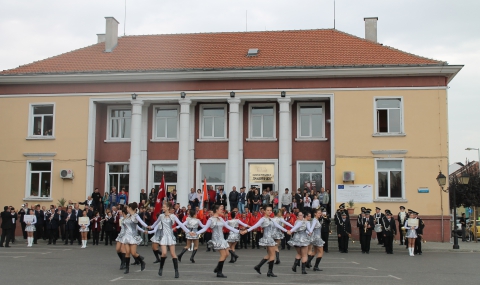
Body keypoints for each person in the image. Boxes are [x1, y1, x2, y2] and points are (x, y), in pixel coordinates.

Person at [195, 205, 240, 278]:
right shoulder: (211, 219)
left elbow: (228, 227)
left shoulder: (221, 218)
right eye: (221, 209)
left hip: (222, 238)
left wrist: (239, 231)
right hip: (216, 239)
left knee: (227, 254)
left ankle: (217, 268)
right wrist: (196, 233)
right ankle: (219, 272)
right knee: (223, 255)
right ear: (216, 210)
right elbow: (205, 228)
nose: (222, 210)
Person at [148, 202, 190, 278]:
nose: (162, 208)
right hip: (163, 236)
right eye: (162, 207)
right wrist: (149, 227)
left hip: (170, 236)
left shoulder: (173, 216)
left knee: (173, 254)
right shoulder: (161, 216)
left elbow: (181, 224)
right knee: (164, 253)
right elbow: (155, 224)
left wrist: (189, 232)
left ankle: (176, 271)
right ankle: (161, 268)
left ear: (168, 208)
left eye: (164, 207)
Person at [243, 205, 288, 277]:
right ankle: (269, 272)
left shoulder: (271, 219)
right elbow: (255, 226)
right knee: (272, 255)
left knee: (270, 255)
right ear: (264, 211)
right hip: (267, 238)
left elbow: (278, 226)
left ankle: (258, 266)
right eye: (268, 210)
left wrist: (286, 230)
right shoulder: (263, 219)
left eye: (270, 210)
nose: (270, 212)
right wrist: (247, 230)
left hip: (270, 238)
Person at [118, 202, 149, 273]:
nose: (127, 209)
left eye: (128, 207)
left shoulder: (135, 216)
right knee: (127, 252)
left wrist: (147, 227)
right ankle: (127, 268)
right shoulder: (127, 215)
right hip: (126, 236)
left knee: (133, 253)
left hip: (133, 236)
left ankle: (142, 262)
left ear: (130, 208)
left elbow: (141, 222)